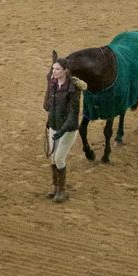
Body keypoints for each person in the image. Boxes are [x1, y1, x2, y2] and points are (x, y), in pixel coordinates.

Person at [45, 57, 87, 203]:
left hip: (68, 130)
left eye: (57, 69)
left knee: (59, 158)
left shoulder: (73, 88)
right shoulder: (53, 84)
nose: (54, 71)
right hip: (54, 126)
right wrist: (49, 87)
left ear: (65, 71)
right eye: (53, 69)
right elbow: (46, 106)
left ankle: (62, 190)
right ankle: (55, 187)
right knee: (52, 157)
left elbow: (73, 114)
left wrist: (61, 132)